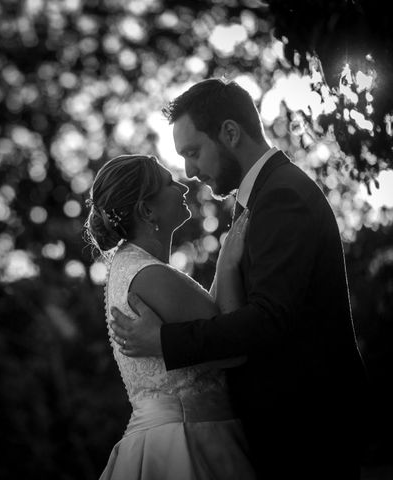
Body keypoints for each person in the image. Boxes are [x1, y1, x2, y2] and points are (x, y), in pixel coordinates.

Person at [109, 79, 368, 480]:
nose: (190, 172)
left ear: (230, 132)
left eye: (194, 153)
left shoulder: (281, 198)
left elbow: (268, 319)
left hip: (305, 429)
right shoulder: (260, 199)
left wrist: (162, 341)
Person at [85, 153, 256, 479]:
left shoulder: (128, 266)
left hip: (160, 439)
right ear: (147, 210)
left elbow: (206, 322)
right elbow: (232, 347)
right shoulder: (151, 276)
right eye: (167, 182)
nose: (181, 186)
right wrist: (230, 265)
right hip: (189, 442)